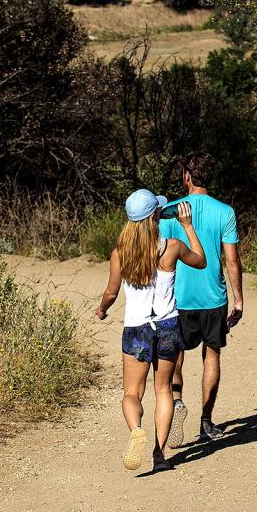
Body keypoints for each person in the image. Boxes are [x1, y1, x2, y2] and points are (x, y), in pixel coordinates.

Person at [96, 189, 205, 473]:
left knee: (132, 392)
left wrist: (102, 309)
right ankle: (159, 455)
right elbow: (200, 260)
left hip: (136, 326)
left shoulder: (121, 253)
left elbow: (111, 292)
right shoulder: (172, 246)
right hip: (168, 324)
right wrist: (188, 227)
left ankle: (135, 430)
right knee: (164, 390)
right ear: (155, 215)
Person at [161, 153, 243, 446]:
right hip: (213, 296)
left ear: (186, 177)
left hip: (177, 297)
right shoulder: (225, 211)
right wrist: (239, 300)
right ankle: (206, 420)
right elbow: (231, 260)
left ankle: (177, 401)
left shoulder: (169, 211)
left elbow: (159, 253)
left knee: (176, 354)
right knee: (212, 354)